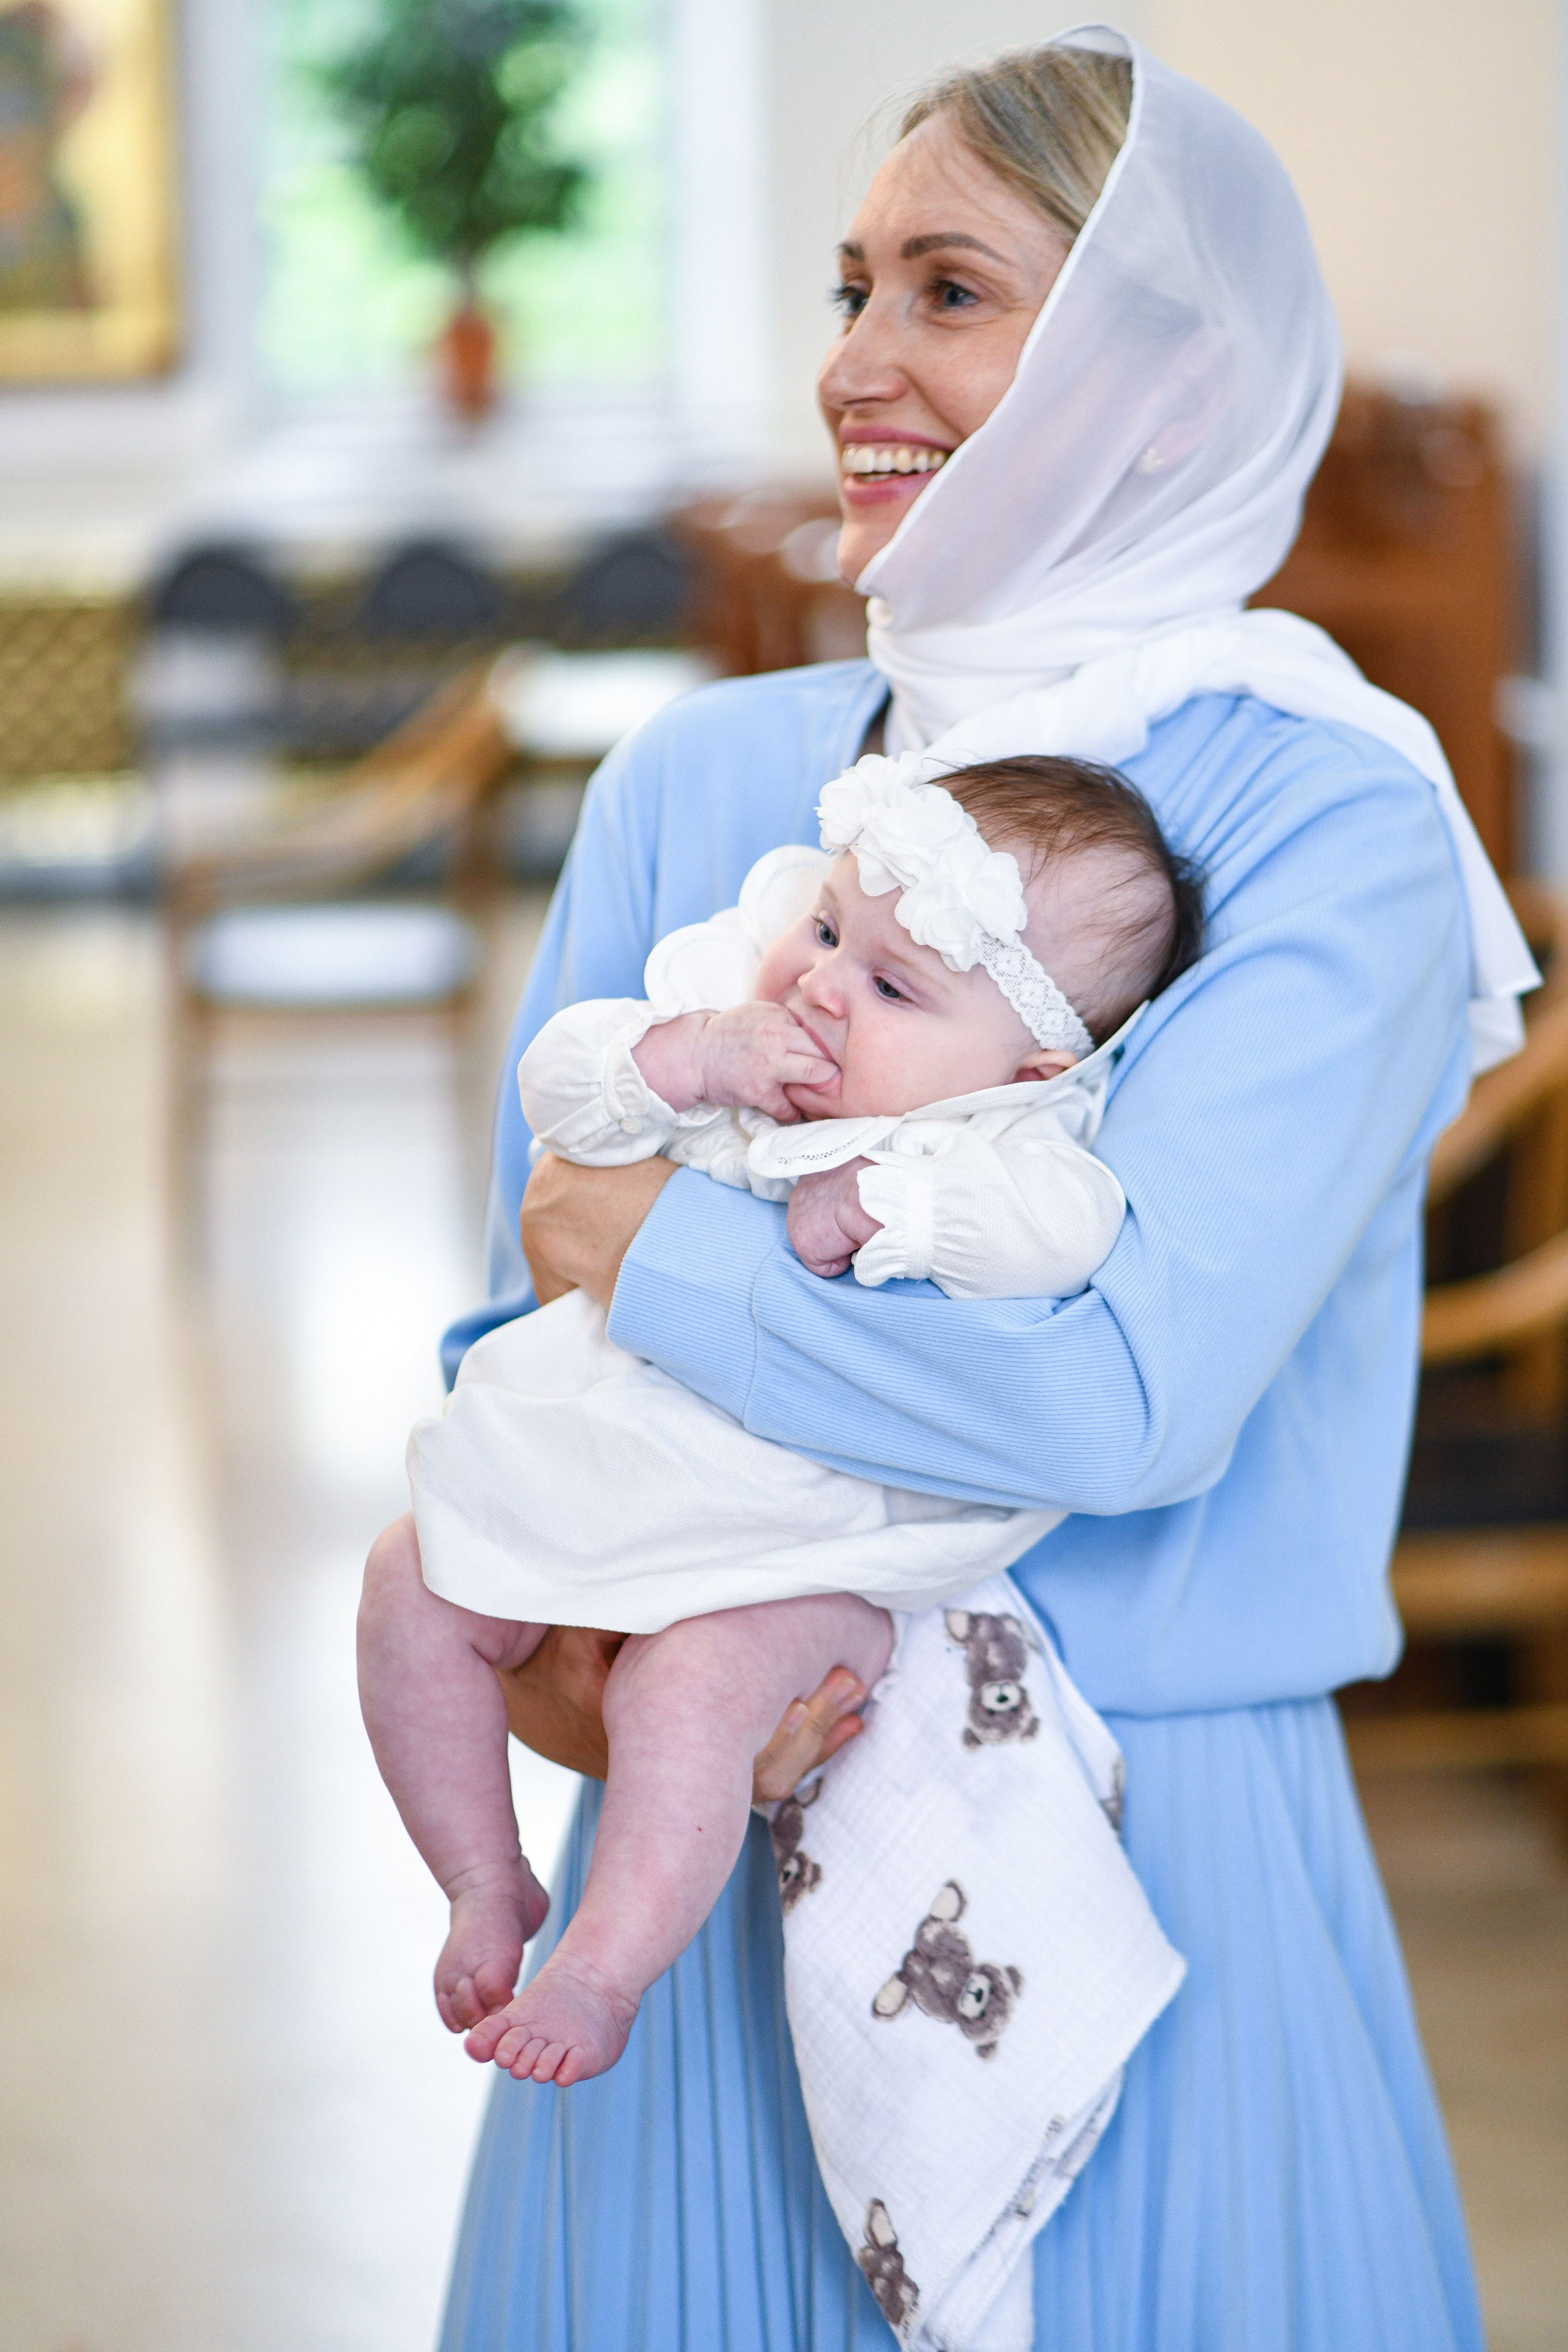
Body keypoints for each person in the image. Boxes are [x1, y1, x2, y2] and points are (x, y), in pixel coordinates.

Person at [425, 29, 1531, 2351]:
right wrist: (596, 1694)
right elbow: (507, 1344)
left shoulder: (1322, 819)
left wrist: (659, 1251)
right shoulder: (697, 775)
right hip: (692, 1867)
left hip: (1153, 1855)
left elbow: (1126, 1404)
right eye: (852, 288)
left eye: (949, 290)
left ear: (1169, 382)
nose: (854, 363)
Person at [362, 752, 1197, 2090]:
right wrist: (680, 1057)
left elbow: (1068, 1231)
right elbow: (557, 1094)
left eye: (891, 988)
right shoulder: (731, 1029)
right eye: (824, 928)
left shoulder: (1004, 1143)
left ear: (1024, 1066)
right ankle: (481, 1875)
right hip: (609, 1482)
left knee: (686, 1688)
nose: (819, 984)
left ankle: (600, 1970)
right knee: (410, 1579)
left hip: (801, 1554)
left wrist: (893, 1202)